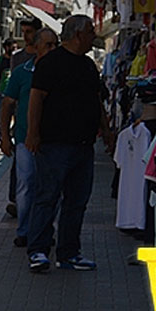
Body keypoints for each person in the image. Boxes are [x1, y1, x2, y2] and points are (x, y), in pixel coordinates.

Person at [25, 15, 114, 273]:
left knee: (77, 201)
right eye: (89, 31)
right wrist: (33, 133)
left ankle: (68, 252)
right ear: (77, 34)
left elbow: (97, 101)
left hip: (84, 145)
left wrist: (106, 130)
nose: (92, 36)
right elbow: (36, 99)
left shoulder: (88, 65)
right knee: (47, 197)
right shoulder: (50, 63)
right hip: (54, 144)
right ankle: (38, 250)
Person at [0, 28, 58, 248]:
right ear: (36, 47)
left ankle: (45, 229)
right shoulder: (22, 73)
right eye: (48, 45)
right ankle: (24, 230)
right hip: (25, 140)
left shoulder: (61, 72)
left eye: (55, 45)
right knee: (26, 184)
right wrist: (5, 136)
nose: (52, 50)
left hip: (54, 141)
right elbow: (7, 105)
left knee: (51, 187)